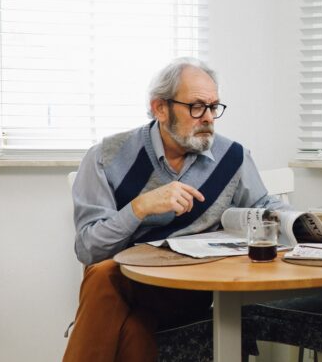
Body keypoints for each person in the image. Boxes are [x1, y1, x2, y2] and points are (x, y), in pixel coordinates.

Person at [63, 57, 288, 361]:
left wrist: (305, 223)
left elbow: (264, 208)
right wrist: (139, 207)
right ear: (159, 108)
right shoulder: (106, 156)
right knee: (132, 327)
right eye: (196, 106)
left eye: (214, 107)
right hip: (125, 285)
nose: (208, 117)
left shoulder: (232, 157)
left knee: (105, 276)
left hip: (188, 289)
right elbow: (89, 249)